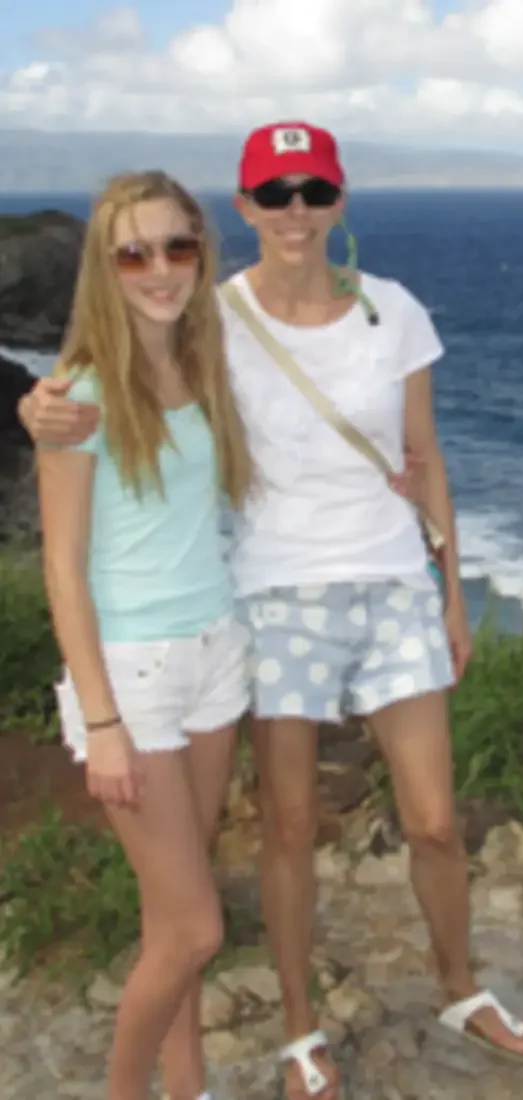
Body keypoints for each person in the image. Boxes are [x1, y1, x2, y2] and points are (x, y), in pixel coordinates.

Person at [20, 121, 523, 1100]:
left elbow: (424, 459)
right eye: (274, 192)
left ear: (338, 200)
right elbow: (104, 372)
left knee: (433, 819)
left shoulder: (388, 313)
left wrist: (449, 587)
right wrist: (37, 407)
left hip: (366, 587)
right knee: (284, 825)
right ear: (247, 207)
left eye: (312, 190)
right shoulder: (214, 319)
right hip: (263, 593)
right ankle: (295, 1031)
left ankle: (457, 985)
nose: (295, 210)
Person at [35, 170, 254, 1100]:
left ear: (201, 253)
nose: (159, 269)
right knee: (196, 929)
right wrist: (103, 721)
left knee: (179, 906)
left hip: (215, 653)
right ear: (106, 266)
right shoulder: (79, 393)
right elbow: (62, 568)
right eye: (134, 252)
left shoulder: (205, 360)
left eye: (177, 246)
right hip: (132, 676)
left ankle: (187, 1084)